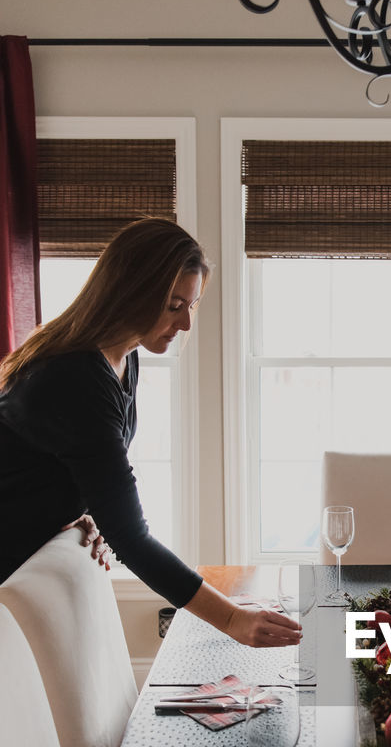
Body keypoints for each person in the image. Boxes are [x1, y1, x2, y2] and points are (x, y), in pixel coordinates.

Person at [0, 217, 299, 649]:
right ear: (130, 291)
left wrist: (83, 511)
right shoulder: (76, 377)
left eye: (191, 306)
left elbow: (65, 464)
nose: (185, 325)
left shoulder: (122, 359)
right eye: (174, 305)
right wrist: (232, 618)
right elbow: (131, 537)